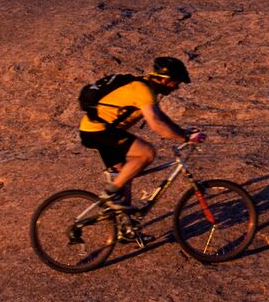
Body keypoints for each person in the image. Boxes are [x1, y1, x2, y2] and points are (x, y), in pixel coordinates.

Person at [80, 56, 206, 205]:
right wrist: (184, 138)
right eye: (176, 83)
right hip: (98, 131)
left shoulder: (146, 88)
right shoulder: (143, 90)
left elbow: (159, 116)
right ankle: (108, 194)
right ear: (165, 80)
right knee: (147, 153)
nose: (176, 87)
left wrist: (182, 131)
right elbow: (156, 124)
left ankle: (121, 221)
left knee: (125, 174)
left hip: (100, 131)